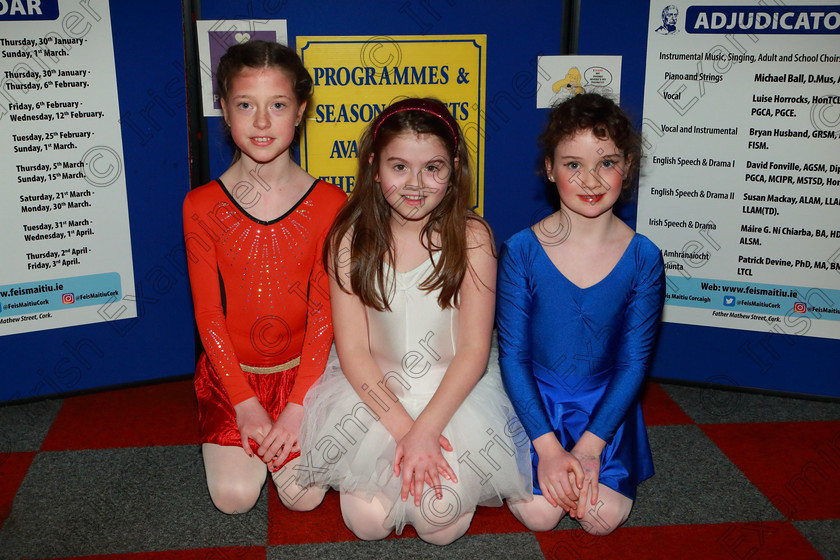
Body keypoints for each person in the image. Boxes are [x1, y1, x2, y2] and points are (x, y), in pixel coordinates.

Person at [297, 98, 531, 545]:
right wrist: (406, 432)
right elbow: (352, 351)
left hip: (454, 397)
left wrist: (426, 431)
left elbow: (474, 349)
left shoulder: (473, 237)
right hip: (375, 398)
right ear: (374, 166)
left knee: (437, 524)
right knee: (366, 523)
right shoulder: (350, 240)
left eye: (433, 168)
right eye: (399, 167)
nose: (416, 185)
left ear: (454, 168)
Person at [183, 40, 346, 515]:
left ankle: (292, 431)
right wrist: (243, 401)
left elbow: (324, 313)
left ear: (300, 111)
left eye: (277, 105)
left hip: (306, 378)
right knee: (233, 499)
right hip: (233, 376)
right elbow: (208, 313)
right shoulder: (201, 206)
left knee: (305, 499)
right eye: (245, 105)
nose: (260, 122)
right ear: (224, 111)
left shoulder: (331, 205)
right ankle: (246, 430)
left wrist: (297, 406)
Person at [496, 93, 664, 535]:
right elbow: (512, 358)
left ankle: (595, 452)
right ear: (550, 169)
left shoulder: (644, 257)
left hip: (604, 405)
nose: (590, 179)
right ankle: (541, 452)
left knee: (601, 519)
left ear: (626, 166)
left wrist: (591, 448)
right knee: (540, 514)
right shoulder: (521, 251)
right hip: (536, 401)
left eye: (606, 162)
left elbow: (633, 363)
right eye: (573, 165)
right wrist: (548, 449)